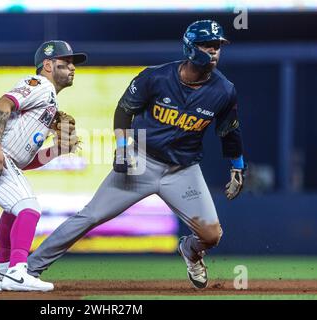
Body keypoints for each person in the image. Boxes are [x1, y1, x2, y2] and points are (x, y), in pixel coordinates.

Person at [26, 20, 246, 289]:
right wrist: (121, 149)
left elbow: (229, 131)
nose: (214, 52)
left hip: (183, 170)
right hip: (141, 161)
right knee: (90, 216)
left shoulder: (224, 90)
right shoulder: (156, 77)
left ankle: (190, 251)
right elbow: (123, 111)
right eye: (207, 46)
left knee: (212, 236)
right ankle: (29, 268)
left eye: (217, 46)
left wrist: (237, 167)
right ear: (190, 47)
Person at [0, 40, 86, 291]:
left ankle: (4, 269)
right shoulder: (39, 85)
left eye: (73, 64)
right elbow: (1, 104)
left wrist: (57, 150)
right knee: (30, 208)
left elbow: (23, 162)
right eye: (66, 63)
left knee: (15, 208)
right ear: (47, 65)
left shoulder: (48, 105)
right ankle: (18, 271)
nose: (72, 67)